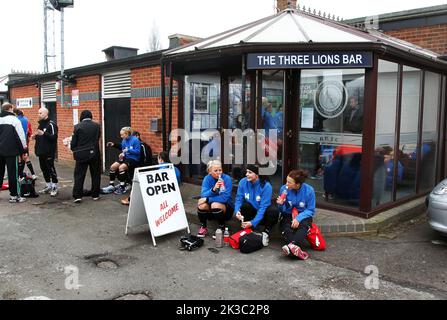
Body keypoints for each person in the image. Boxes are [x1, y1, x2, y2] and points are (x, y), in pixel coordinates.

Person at [276, 170, 315, 260]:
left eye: (289, 182)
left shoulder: (309, 190)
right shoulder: (283, 189)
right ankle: (295, 248)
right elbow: (282, 210)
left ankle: (291, 247)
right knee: (286, 227)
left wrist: (298, 218)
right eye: (286, 181)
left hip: (303, 214)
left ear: (297, 184)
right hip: (288, 213)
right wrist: (280, 204)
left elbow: (310, 210)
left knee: (304, 226)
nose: (286, 184)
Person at [234, 164, 279, 235]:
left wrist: (253, 222)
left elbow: (263, 207)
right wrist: (237, 211)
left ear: (257, 175)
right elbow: (239, 199)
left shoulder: (266, 186)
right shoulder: (243, 182)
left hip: (263, 214)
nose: (246, 174)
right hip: (252, 212)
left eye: (250, 172)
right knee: (245, 206)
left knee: (273, 211)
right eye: (246, 172)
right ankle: (248, 230)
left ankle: (266, 232)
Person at [196, 160, 234, 238]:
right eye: (215, 170)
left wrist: (207, 199)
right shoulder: (207, 178)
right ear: (210, 171)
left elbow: (224, 198)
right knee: (201, 205)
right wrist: (213, 189)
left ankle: (221, 228)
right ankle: (203, 227)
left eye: (220, 170)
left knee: (214, 204)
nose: (219, 172)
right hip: (212, 209)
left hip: (226, 208)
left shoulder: (227, 179)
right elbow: (203, 194)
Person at [70, 110, 101, 204]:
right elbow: (97, 138)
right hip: (94, 153)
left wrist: (73, 148)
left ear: (81, 117)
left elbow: (74, 142)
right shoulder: (97, 126)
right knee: (95, 174)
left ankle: (78, 195)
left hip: (82, 153)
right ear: (91, 116)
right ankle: (95, 194)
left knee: (79, 175)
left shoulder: (77, 126)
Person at [0, 102, 27, 203]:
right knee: (13, 173)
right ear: (10, 108)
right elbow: (21, 136)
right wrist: (24, 150)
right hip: (11, 151)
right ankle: (14, 196)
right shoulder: (14, 120)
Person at [120, 131, 153, 206]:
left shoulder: (143, 146)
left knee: (137, 183)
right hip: (135, 165)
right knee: (133, 180)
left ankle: (131, 199)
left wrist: (144, 167)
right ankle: (133, 197)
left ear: (137, 136)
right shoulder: (131, 143)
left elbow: (145, 158)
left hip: (142, 167)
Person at [105, 127, 141, 195]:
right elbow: (123, 148)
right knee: (113, 167)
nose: (121, 136)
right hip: (126, 157)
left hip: (134, 159)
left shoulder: (135, 140)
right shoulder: (124, 140)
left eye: (122, 135)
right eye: (121, 135)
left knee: (121, 167)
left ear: (127, 134)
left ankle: (122, 186)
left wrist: (128, 150)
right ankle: (111, 185)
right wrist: (121, 152)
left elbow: (138, 152)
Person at [34, 107, 59, 197]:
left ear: (46, 114)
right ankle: (48, 185)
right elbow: (41, 136)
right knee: (43, 168)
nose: (39, 115)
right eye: (38, 113)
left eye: (40, 113)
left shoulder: (51, 124)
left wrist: (44, 133)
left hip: (49, 151)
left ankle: (55, 186)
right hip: (41, 151)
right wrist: (35, 136)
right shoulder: (41, 124)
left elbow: (54, 137)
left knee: (50, 168)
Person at [15, 109, 36, 180]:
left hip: (17, 143)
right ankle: (33, 174)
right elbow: (29, 132)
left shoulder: (15, 120)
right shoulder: (27, 120)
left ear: (16, 114)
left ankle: (19, 175)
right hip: (25, 143)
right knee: (25, 157)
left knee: (19, 159)